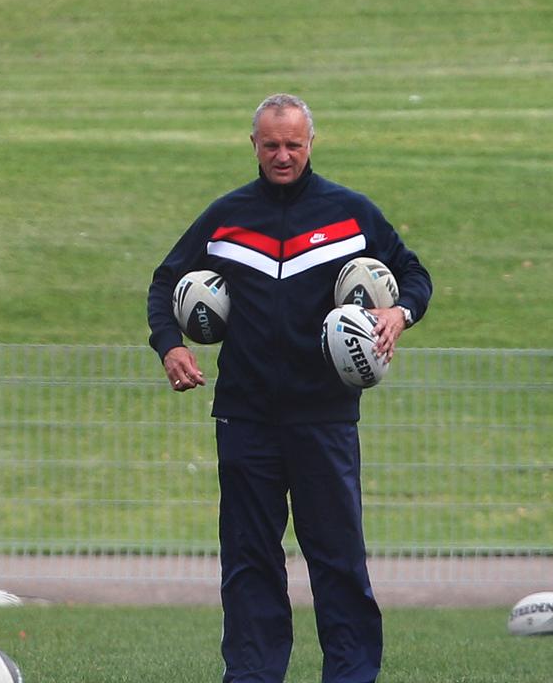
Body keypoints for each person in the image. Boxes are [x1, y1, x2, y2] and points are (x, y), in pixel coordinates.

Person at [147, 94, 432, 683]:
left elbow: (414, 273)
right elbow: (164, 283)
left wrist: (399, 314)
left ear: (311, 144)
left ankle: (352, 674)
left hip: (324, 416)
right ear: (253, 144)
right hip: (245, 417)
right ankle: (252, 675)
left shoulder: (351, 214)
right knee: (249, 561)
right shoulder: (227, 216)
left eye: (293, 144)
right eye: (271, 144)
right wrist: (170, 345)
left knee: (338, 561)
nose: (282, 155)